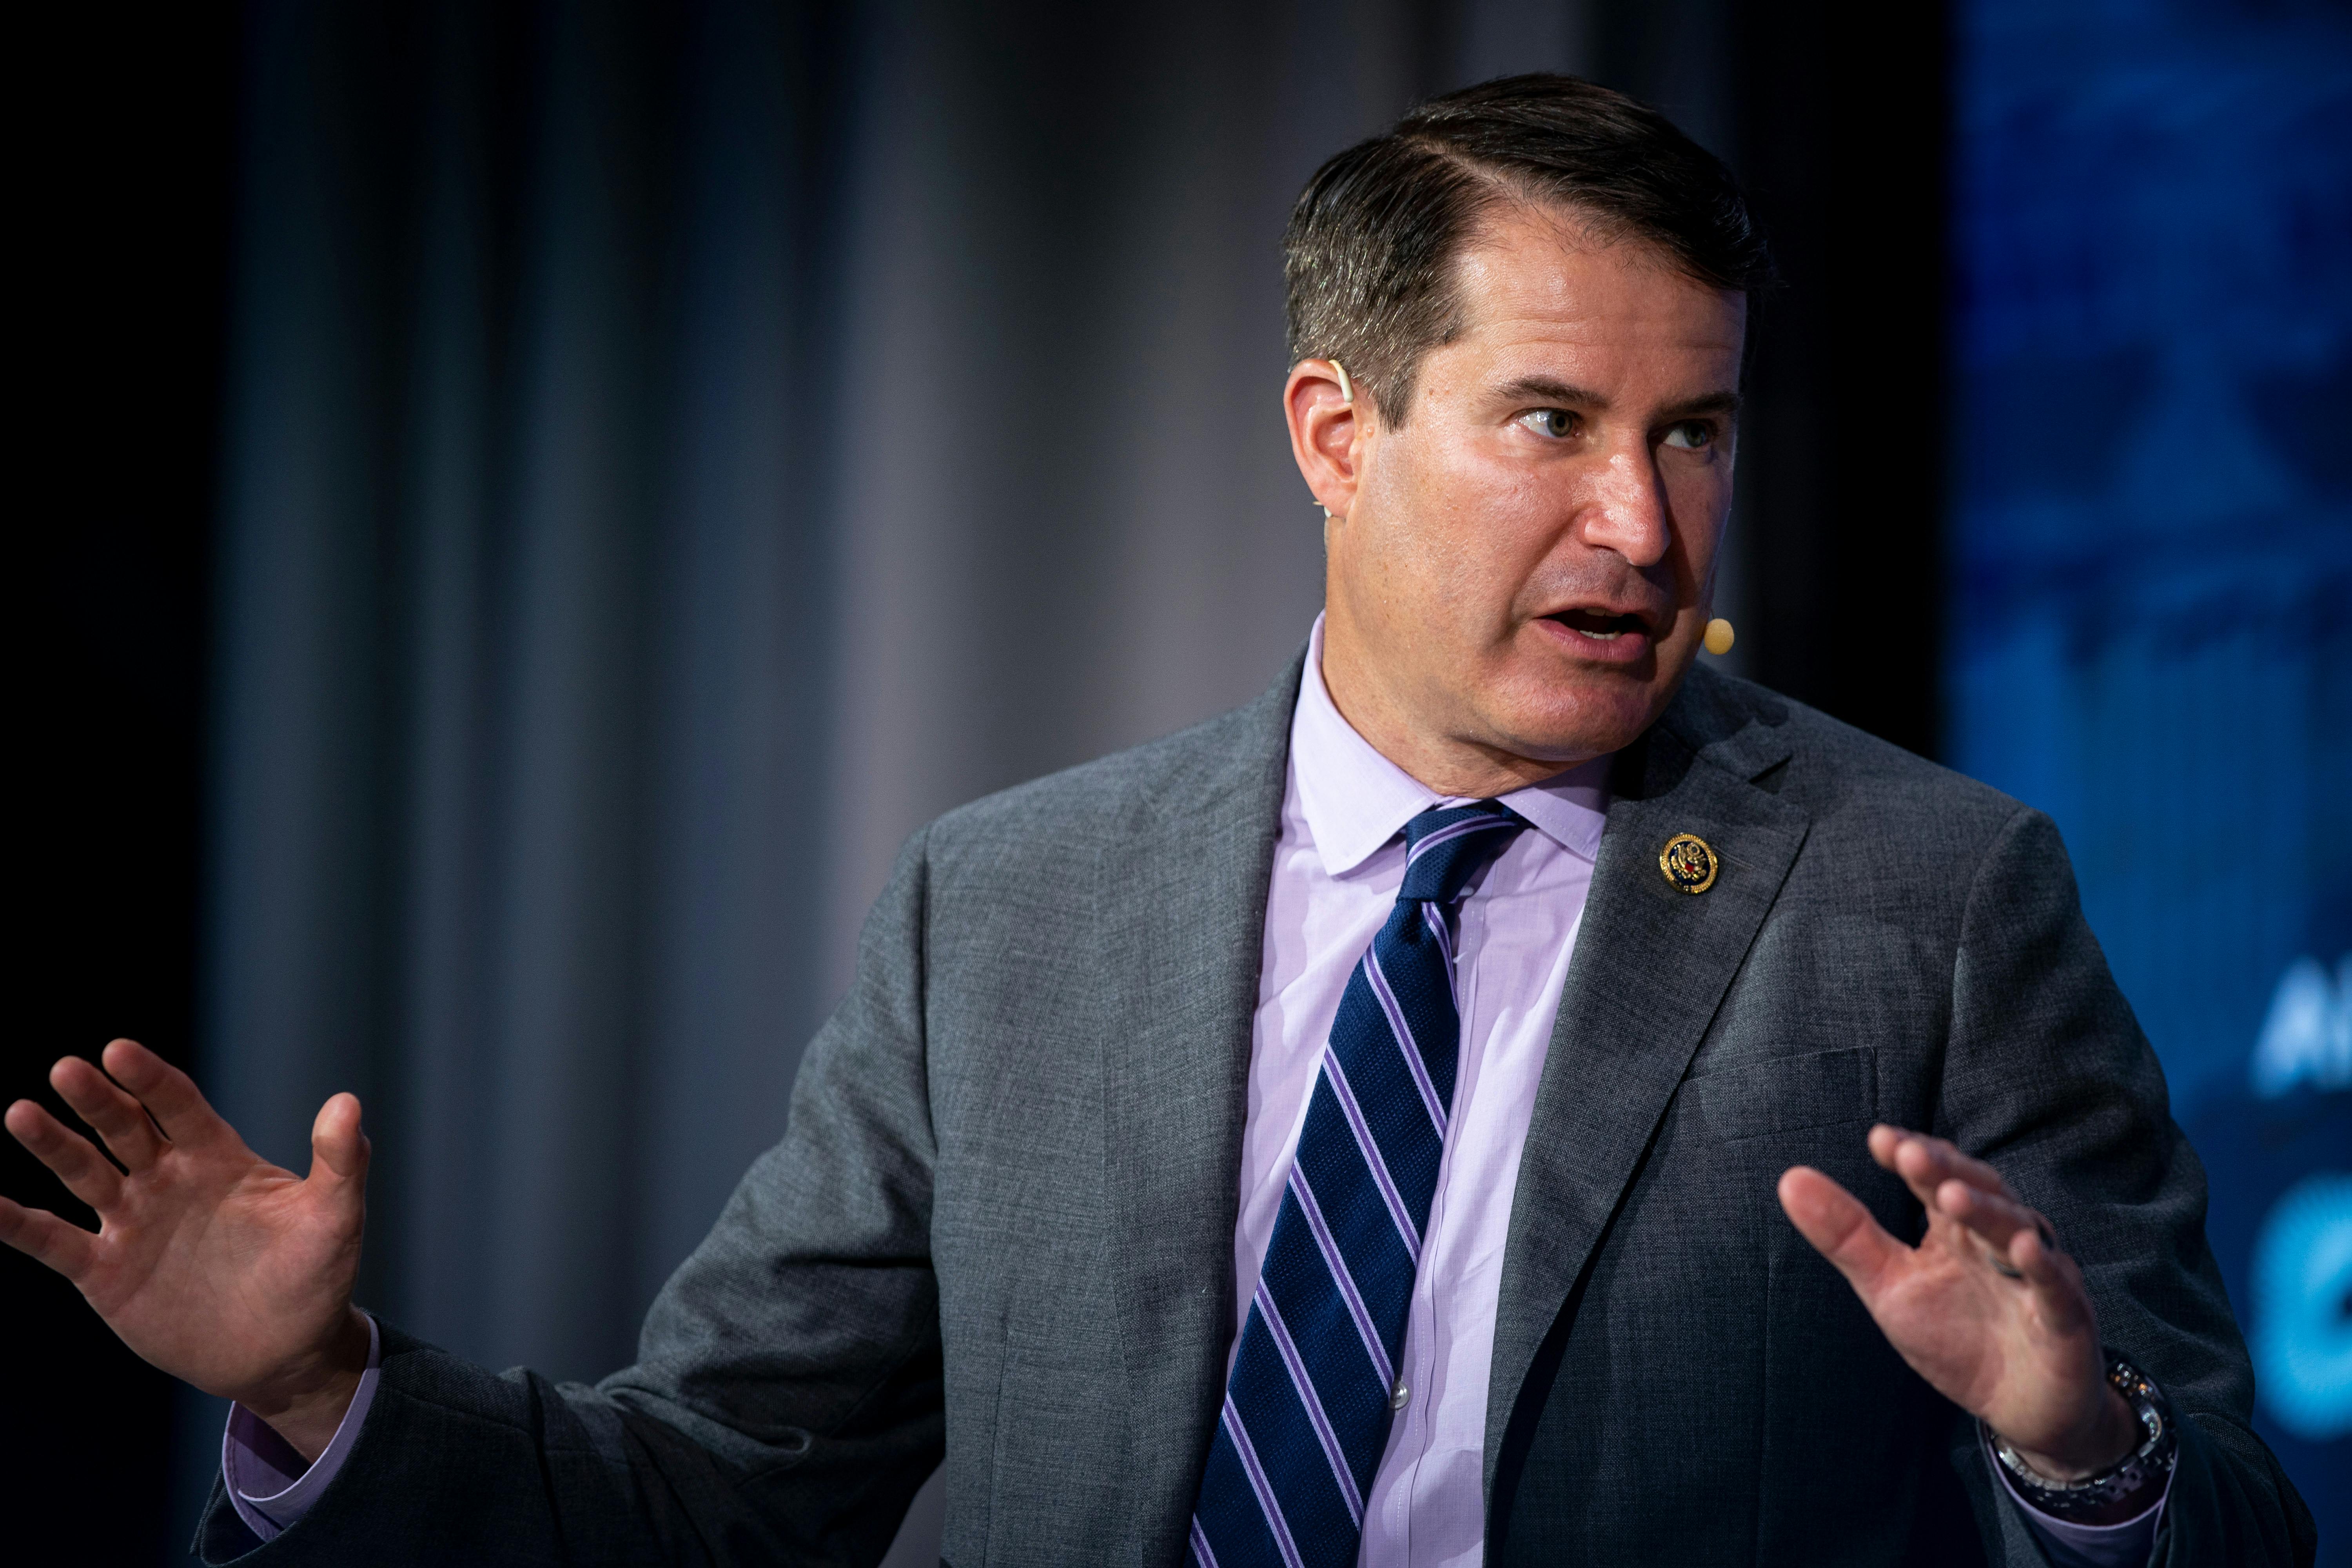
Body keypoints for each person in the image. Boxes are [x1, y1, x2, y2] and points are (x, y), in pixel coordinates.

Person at [0, 75, 2315, 1568]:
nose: (1642, 522)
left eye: (1692, 434)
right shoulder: (1009, 910)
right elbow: (717, 1490)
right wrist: (316, 1390)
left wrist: (2080, 1445)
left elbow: (2228, 1514)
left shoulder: (1929, 895)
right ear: (1336, 432)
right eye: (1550, 422)